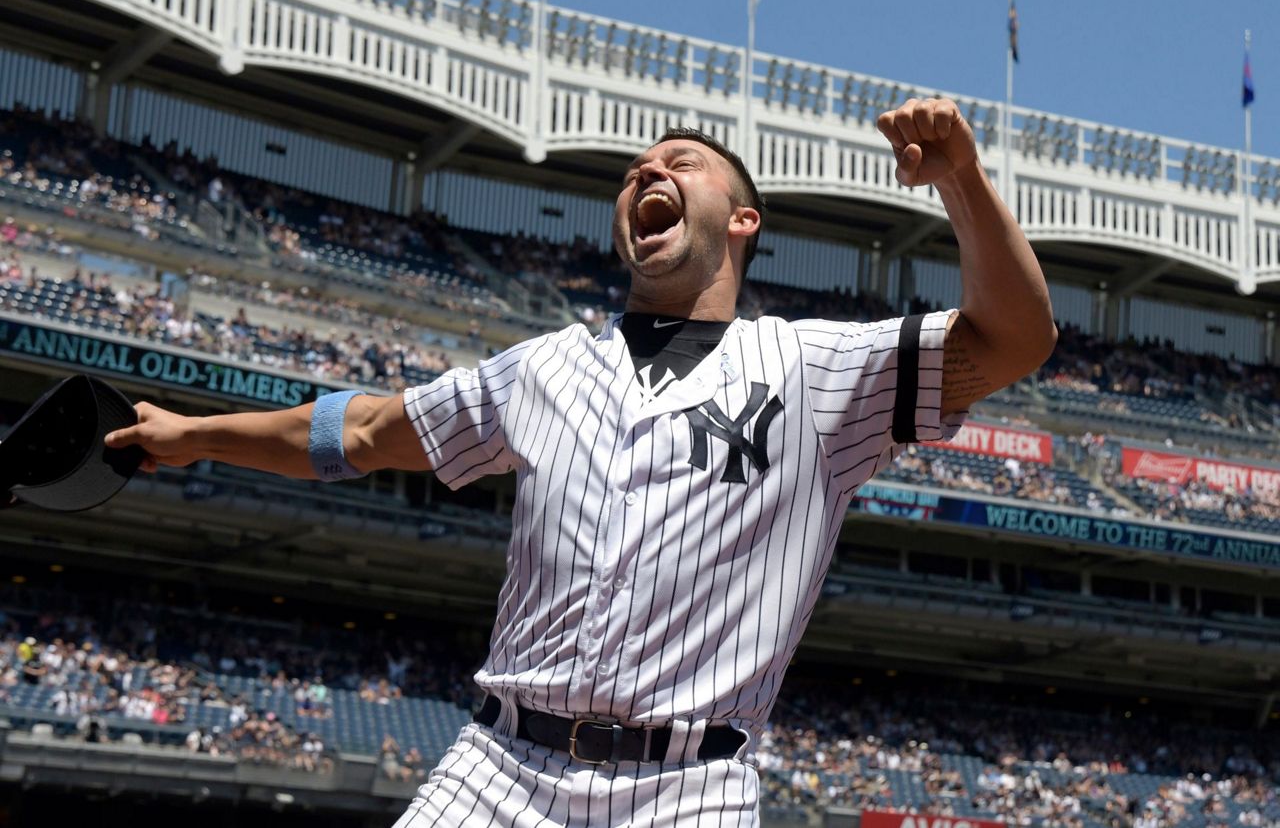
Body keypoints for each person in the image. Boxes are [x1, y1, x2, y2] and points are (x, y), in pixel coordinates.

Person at [105, 99, 1056, 826]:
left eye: (681, 163)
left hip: (689, 790)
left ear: (742, 221)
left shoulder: (817, 370)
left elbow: (1015, 339)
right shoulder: (545, 368)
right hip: (499, 770)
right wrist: (196, 435)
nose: (649, 170)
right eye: (637, 170)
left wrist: (963, 182)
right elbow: (363, 432)